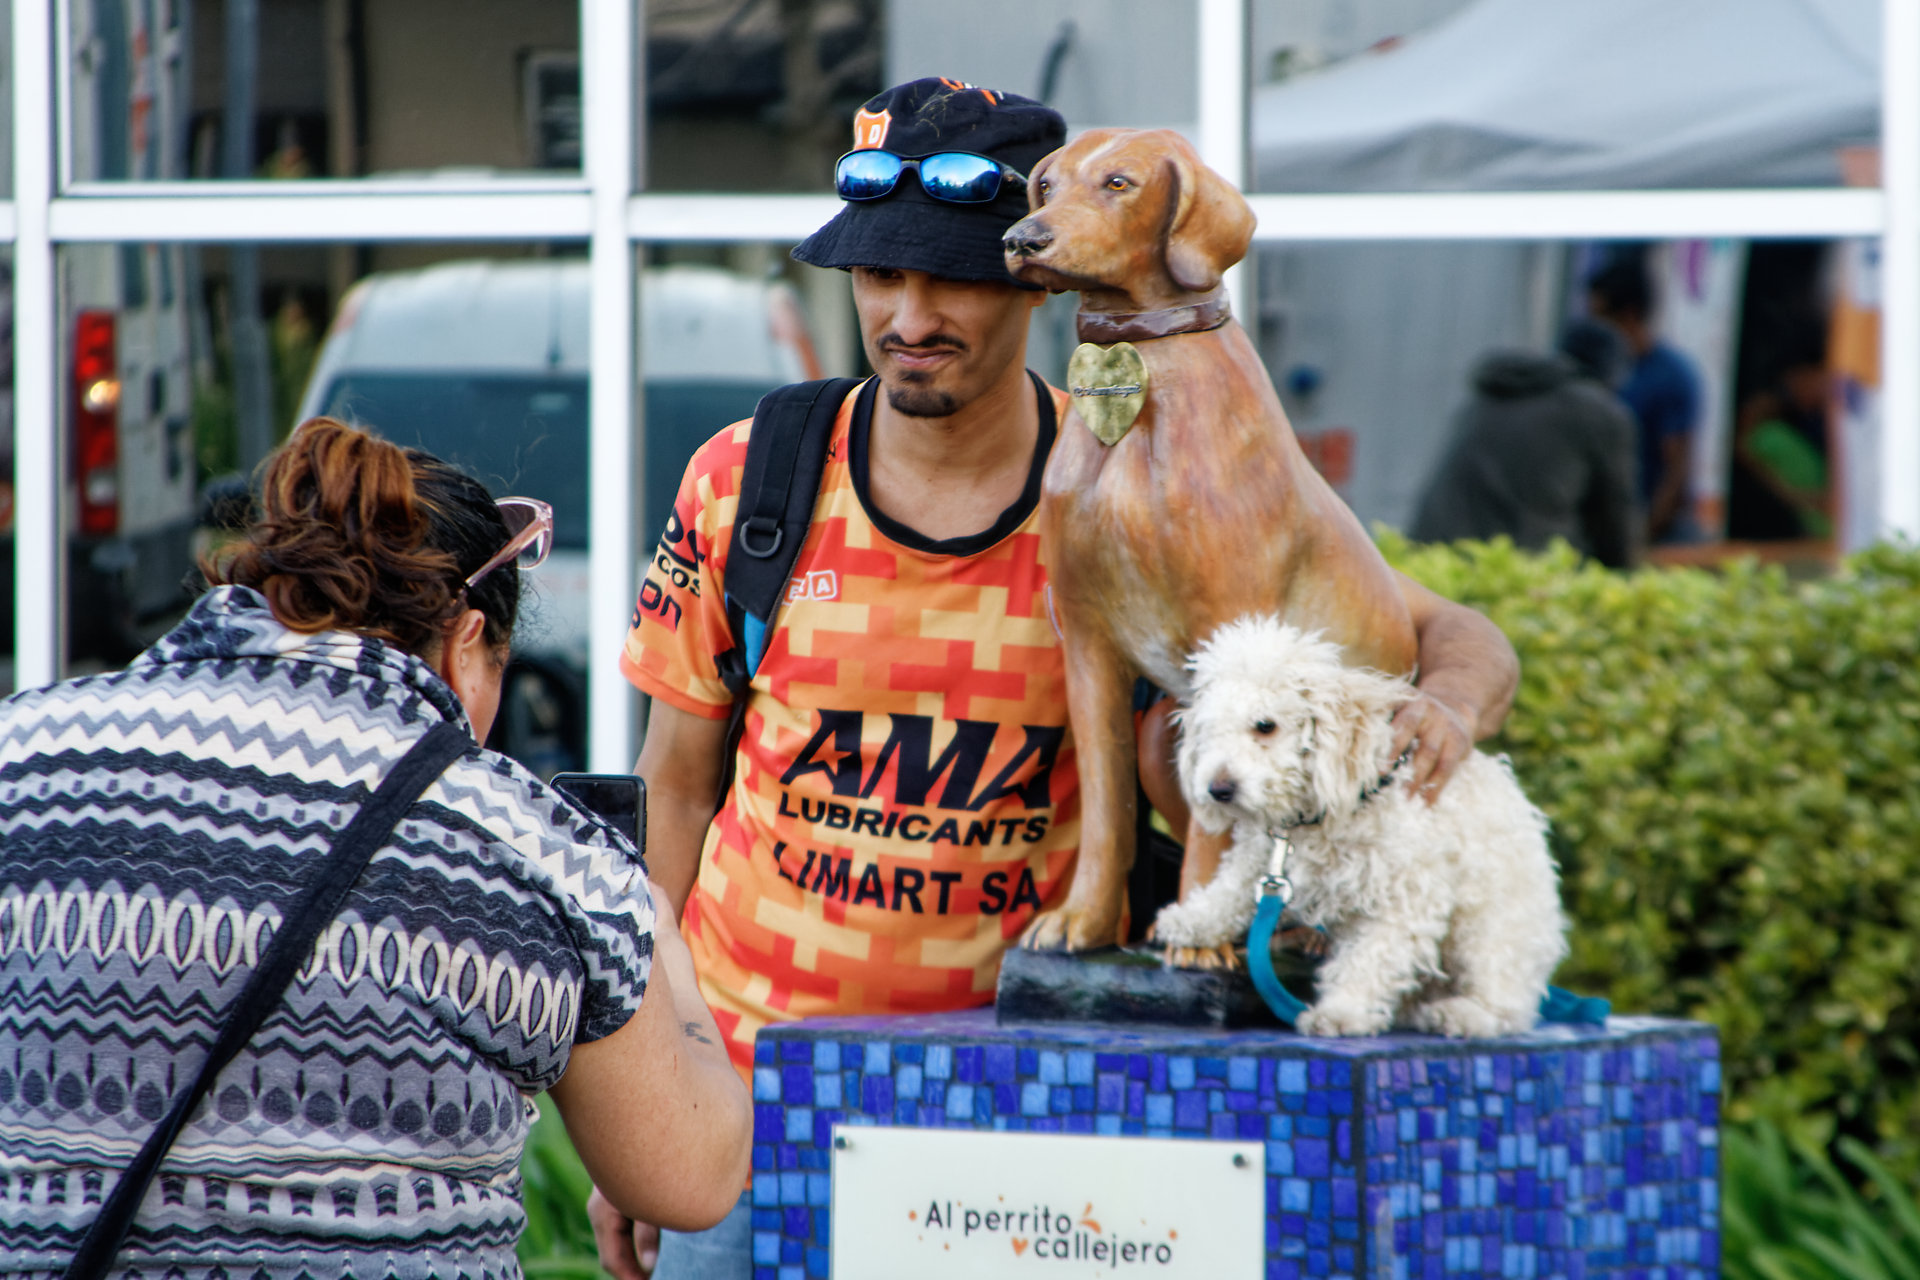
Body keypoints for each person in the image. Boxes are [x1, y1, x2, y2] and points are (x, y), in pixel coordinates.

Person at [598, 78, 1521, 1279]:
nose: (911, 315)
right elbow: (673, 790)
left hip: (1019, 1106)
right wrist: (646, 1103)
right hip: (747, 1098)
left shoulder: (1141, 482)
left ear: (1040, 271)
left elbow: (1445, 630)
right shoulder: (750, 478)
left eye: (956, 277)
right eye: (879, 273)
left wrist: (1446, 708)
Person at [0, 418, 749, 1279]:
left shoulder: (25, 754)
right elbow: (693, 1177)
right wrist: (664, 942)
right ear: (465, 647)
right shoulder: (533, 847)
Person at [1410, 317, 1639, 568]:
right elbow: (1615, 518)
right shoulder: (1597, 411)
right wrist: (1624, 576)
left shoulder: (1495, 391)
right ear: (1611, 374)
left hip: (1429, 555)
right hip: (1511, 568)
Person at [1586, 258, 1703, 545]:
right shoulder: (1592, 370)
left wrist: (1640, 538)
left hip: (1652, 533)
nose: (1593, 329)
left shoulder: (1669, 376)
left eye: (1601, 319)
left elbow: (1676, 471)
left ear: (1629, 315)